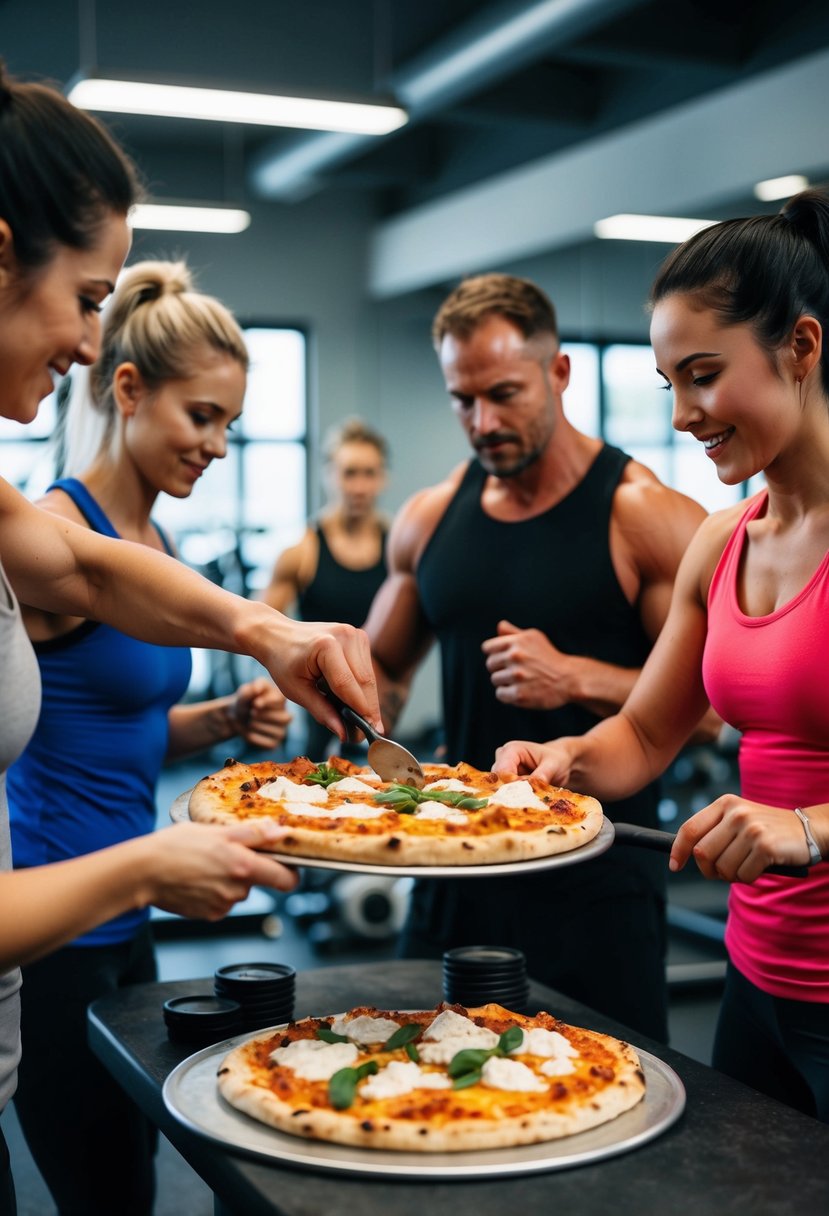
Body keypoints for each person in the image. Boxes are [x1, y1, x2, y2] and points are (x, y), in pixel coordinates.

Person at [0, 68, 380, 1213]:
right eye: (83, 295)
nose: (81, 337)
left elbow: (79, 566)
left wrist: (267, 633)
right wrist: (152, 863)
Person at [494, 189, 829, 1122]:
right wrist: (562, 761)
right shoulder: (722, 541)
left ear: (800, 348)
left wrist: (808, 827)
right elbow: (643, 733)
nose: (683, 413)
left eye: (704, 375)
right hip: (753, 984)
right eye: (668, 383)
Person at [6, 258, 293, 1216]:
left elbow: (110, 725)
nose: (215, 445)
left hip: (134, 923)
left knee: (146, 1163)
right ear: (127, 390)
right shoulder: (56, 531)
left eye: (230, 426)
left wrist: (217, 721)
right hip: (55, 922)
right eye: (200, 416)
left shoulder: (158, 549)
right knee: (108, 1191)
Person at [365, 272, 712, 1042]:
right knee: (414, 1078)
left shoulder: (642, 516)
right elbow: (380, 671)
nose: (482, 421)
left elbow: (712, 715)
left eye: (503, 393)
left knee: (602, 1099)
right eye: (462, 400)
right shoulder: (428, 518)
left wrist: (574, 677)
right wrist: (339, 715)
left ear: (557, 374)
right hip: (452, 863)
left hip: (591, 877)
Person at [261, 416, 389, 759]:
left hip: (382, 708)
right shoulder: (302, 552)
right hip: (320, 716)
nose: (359, 486)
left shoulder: (397, 550)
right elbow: (263, 632)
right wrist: (267, 695)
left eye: (369, 473)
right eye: (349, 473)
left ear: (383, 478)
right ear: (329, 474)